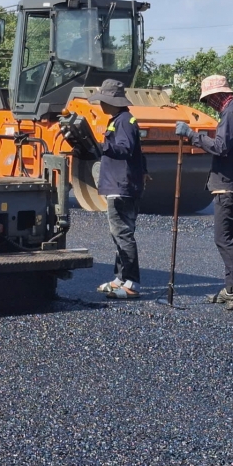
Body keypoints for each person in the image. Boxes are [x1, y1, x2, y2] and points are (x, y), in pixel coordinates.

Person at [175, 75, 233, 311]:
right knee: (231, 236)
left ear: (216, 95)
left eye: (209, 99)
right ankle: (231, 287)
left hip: (229, 185)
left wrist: (192, 135)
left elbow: (221, 147)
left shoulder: (231, 114)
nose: (208, 104)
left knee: (223, 238)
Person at [91, 79, 147, 300]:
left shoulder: (123, 121)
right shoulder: (122, 119)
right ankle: (119, 279)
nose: (101, 105)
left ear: (112, 101)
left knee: (123, 234)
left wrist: (101, 145)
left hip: (120, 186)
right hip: (123, 184)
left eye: (103, 101)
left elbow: (125, 149)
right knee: (119, 234)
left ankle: (131, 283)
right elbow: (138, 152)